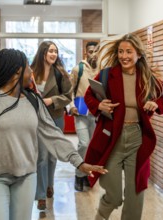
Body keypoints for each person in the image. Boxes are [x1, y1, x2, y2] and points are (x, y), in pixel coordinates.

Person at [0, 48, 107, 220]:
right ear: (15, 73)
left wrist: (78, 162)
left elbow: (52, 135)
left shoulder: (34, 101)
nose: (31, 72)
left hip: (26, 178)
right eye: (27, 68)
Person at [83, 34, 163, 220]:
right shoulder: (108, 75)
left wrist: (158, 104)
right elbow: (88, 96)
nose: (124, 56)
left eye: (129, 52)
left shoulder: (147, 79)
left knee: (135, 194)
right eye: (121, 51)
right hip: (112, 138)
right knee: (113, 195)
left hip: (137, 139)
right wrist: (98, 106)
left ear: (138, 54)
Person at [31, 41, 73, 210]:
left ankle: (50, 185)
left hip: (56, 117)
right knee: (41, 156)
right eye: (50, 51)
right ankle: (40, 194)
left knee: (52, 156)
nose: (54, 54)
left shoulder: (60, 73)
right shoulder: (32, 72)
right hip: (38, 119)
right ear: (43, 53)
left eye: (55, 51)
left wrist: (52, 100)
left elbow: (68, 96)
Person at [69, 41, 99, 191]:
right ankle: (78, 174)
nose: (94, 54)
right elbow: (69, 91)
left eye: (96, 51)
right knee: (84, 144)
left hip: (96, 115)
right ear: (86, 53)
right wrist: (72, 106)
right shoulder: (78, 69)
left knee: (92, 147)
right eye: (91, 51)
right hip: (81, 113)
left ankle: (88, 175)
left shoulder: (102, 70)